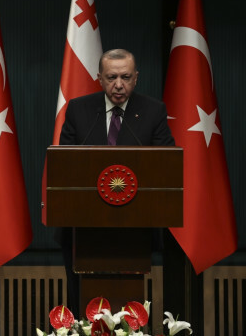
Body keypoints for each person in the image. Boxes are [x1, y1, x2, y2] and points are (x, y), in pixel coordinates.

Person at [58, 49, 175, 317]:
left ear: (136, 78)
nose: (118, 85)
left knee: (130, 306)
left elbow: (166, 164)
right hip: (83, 228)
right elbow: (64, 164)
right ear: (99, 78)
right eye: (111, 77)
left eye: (125, 77)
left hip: (135, 229)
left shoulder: (153, 111)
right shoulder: (79, 109)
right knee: (81, 304)